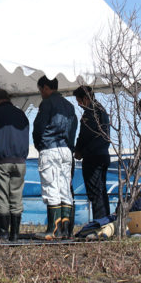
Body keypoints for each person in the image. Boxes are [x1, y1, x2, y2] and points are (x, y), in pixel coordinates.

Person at [33, 75, 78, 240]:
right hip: (66, 150)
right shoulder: (69, 106)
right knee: (65, 189)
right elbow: (73, 128)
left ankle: (53, 230)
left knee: (51, 188)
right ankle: (66, 231)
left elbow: (39, 127)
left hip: (50, 148)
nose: (41, 94)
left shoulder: (46, 104)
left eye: (40, 90)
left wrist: (40, 144)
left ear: (45, 87)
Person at [0, 89, 30, 241]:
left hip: (1, 160)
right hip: (20, 161)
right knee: (16, 197)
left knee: (0, 196)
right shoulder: (21, 114)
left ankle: (2, 232)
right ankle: (15, 234)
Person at [74, 85, 111, 221]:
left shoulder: (93, 112)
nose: (79, 104)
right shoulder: (97, 110)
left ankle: (100, 223)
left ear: (85, 98)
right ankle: (104, 222)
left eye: (79, 100)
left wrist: (81, 151)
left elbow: (91, 135)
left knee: (96, 193)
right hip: (99, 155)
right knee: (100, 192)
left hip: (94, 156)